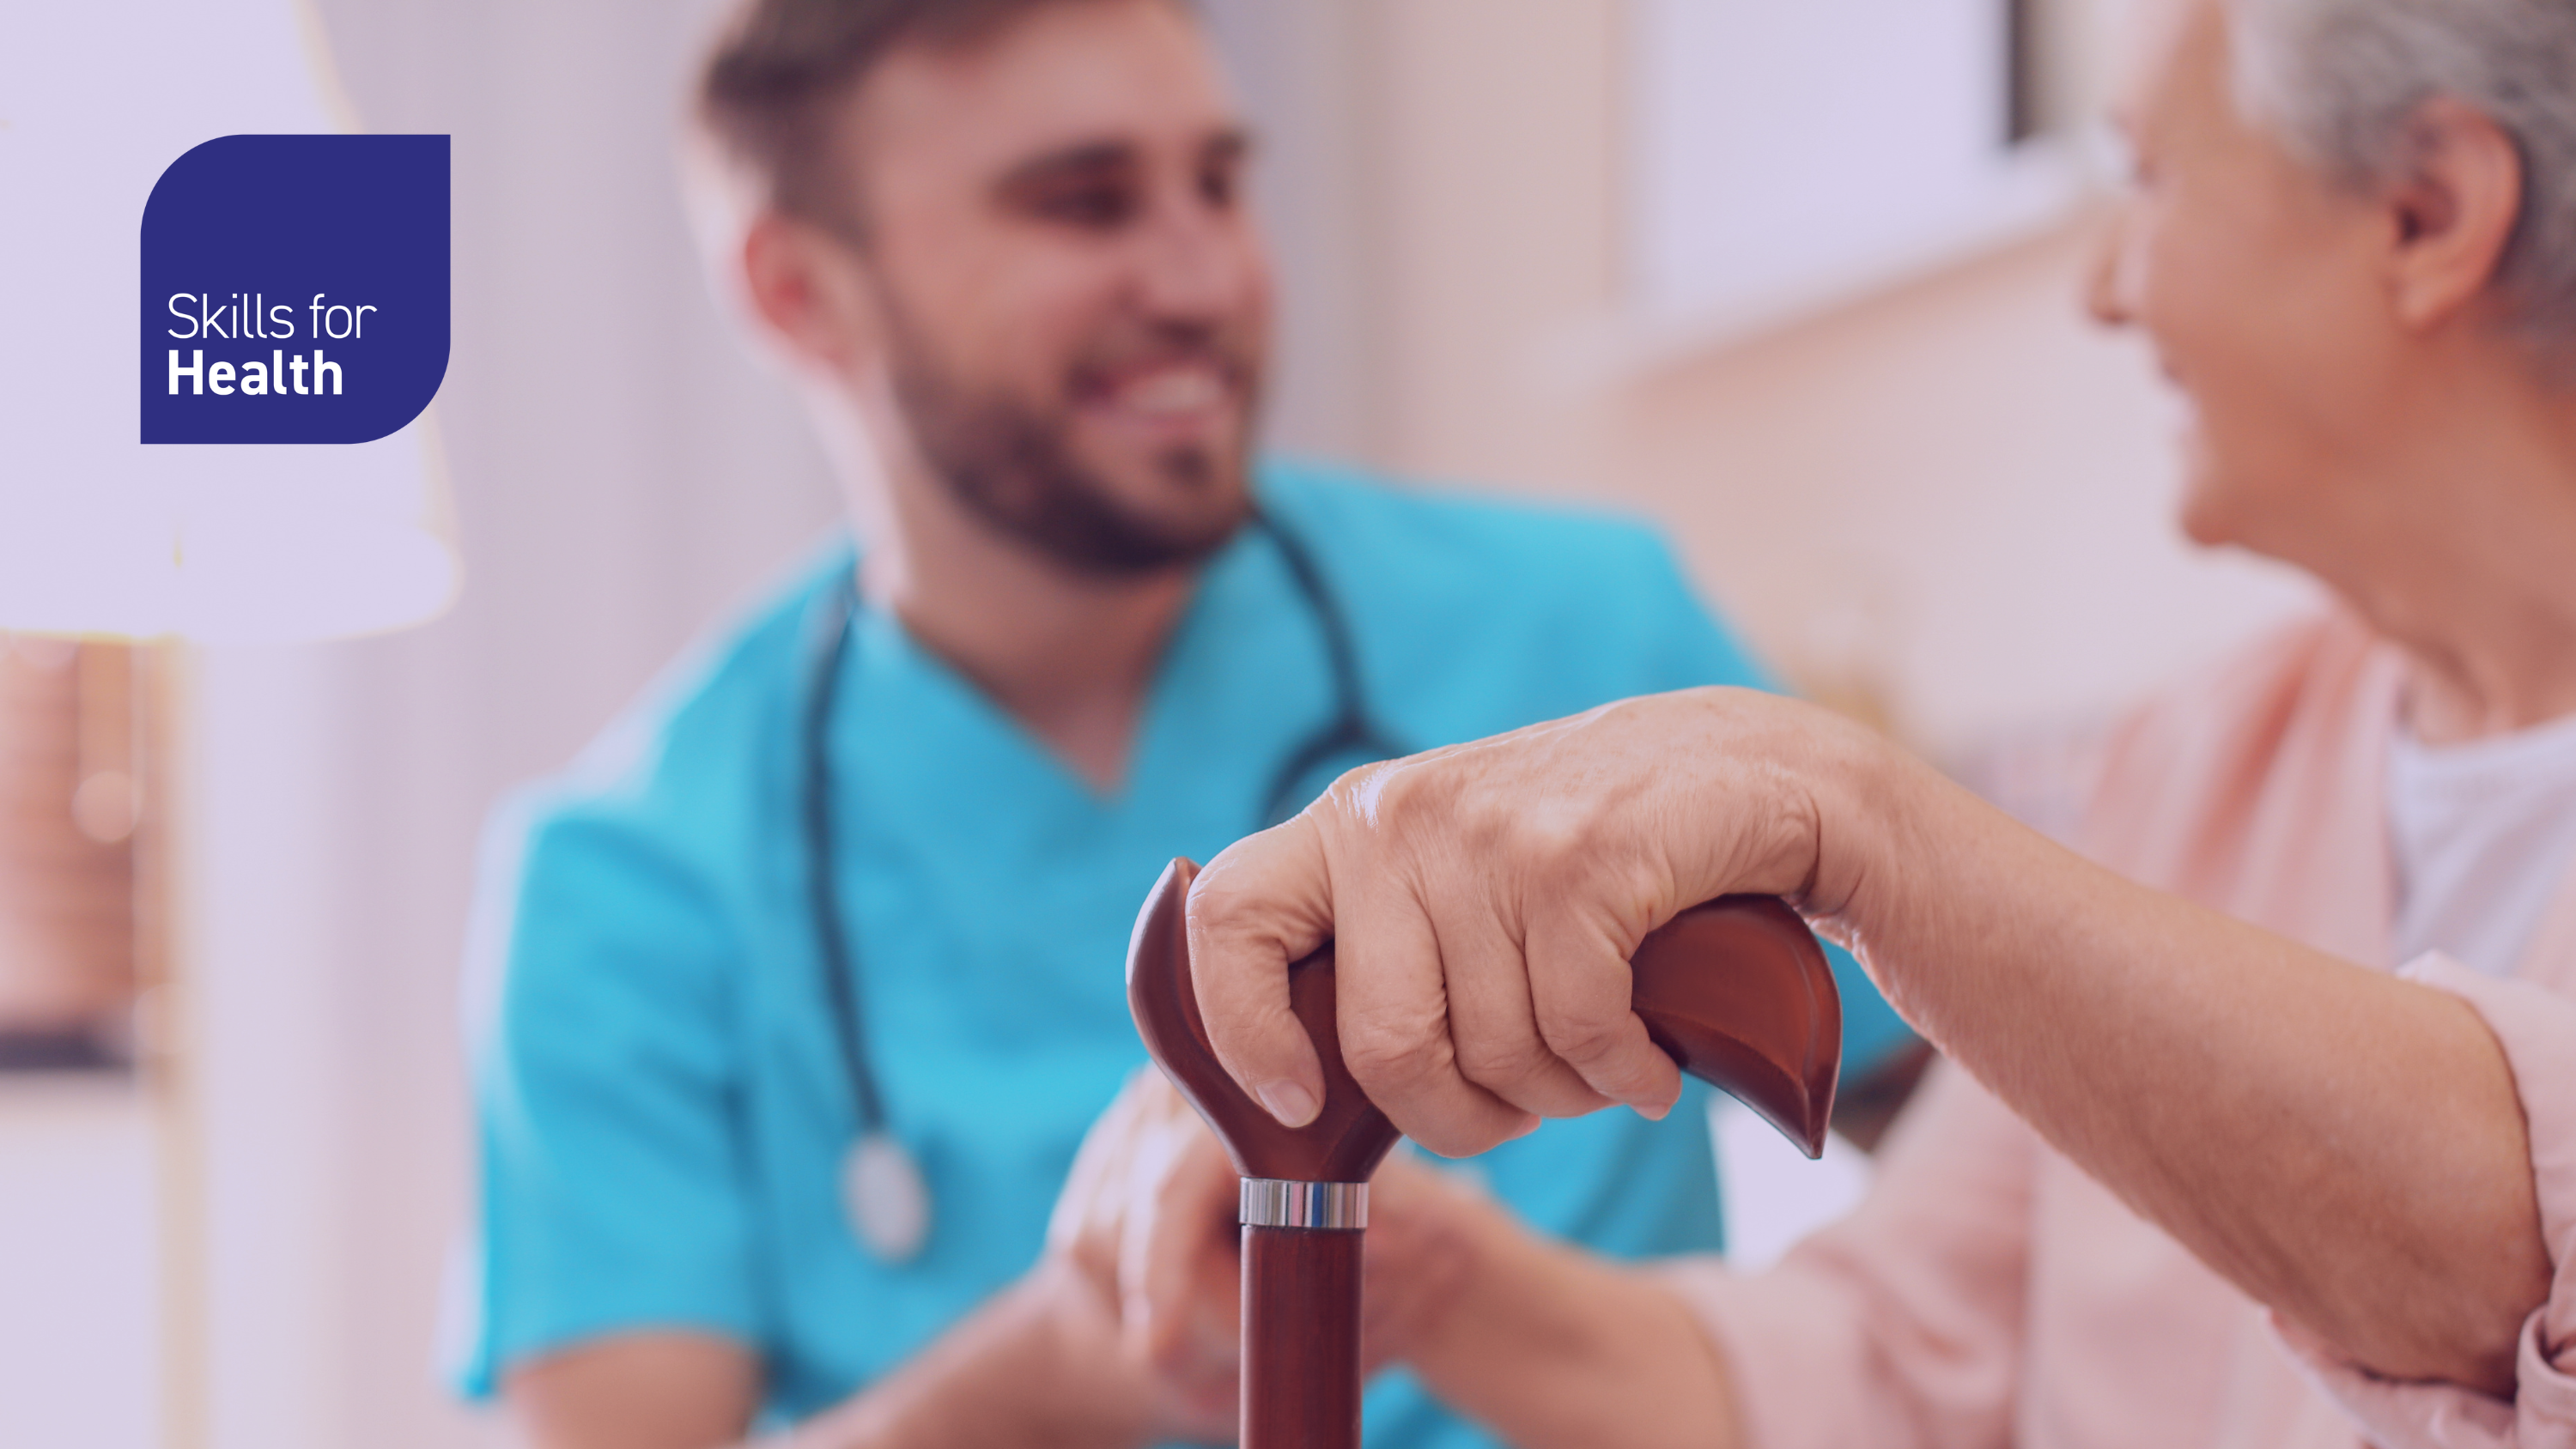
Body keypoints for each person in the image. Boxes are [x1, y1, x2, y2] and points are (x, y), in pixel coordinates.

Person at [1066, 0, 2576, 1445]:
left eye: (2151, 180)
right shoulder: (2205, 761)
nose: (2106, 285)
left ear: (2428, 214)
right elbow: (1890, 1367)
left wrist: (1847, 812)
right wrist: (1425, 1272)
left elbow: (2515, 1261)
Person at [449, 0, 1919, 1446]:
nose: (1202, 276)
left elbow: (2020, 1194)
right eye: (1082, 205)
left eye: (1219, 183)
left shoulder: (1595, 639)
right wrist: (1074, 1348)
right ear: (798, 290)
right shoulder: (624, 885)